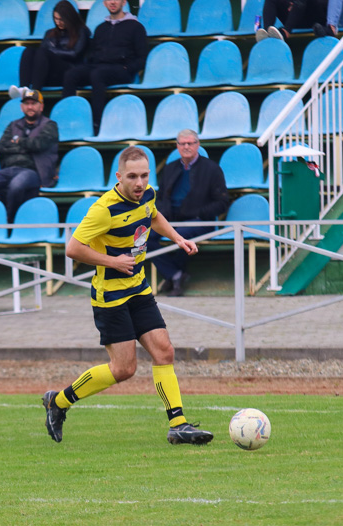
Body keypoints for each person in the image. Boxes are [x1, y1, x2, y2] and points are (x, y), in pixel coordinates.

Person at [42, 145, 214, 446]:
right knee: (124, 369)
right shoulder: (103, 209)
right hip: (110, 297)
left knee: (164, 351)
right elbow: (72, 249)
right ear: (119, 176)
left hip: (138, 288)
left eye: (145, 176)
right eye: (132, 176)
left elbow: (153, 215)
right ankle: (58, 402)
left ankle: (178, 425)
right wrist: (112, 261)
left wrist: (178, 238)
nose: (139, 183)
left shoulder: (147, 194)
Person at [148, 129, 230, 297]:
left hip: (200, 221)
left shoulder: (212, 169)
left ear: (197, 145)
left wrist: (199, 213)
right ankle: (175, 275)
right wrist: (163, 215)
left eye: (190, 143)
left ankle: (175, 278)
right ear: (177, 146)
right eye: (182, 144)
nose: (186, 147)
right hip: (172, 219)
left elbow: (222, 203)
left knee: (181, 236)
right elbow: (161, 197)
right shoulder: (170, 168)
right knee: (145, 236)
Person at [0, 88, 58, 223]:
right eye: (27, 103)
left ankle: (10, 219)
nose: (30, 107)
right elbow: (1, 146)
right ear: (21, 107)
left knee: (16, 186)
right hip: (9, 169)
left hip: (33, 171)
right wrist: (27, 146)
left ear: (41, 106)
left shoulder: (50, 125)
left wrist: (18, 141)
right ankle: (4, 210)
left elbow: (39, 144)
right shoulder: (14, 125)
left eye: (34, 103)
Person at [61, 0, 147, 130]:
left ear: (123, 2)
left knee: (98, 74)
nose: (112, 2)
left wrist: (128, 68)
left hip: (121, 69)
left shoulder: (136, 27)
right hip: (98, 66)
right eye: (109, 0)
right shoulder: (100, 28)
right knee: (71, 74)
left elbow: (142, 57)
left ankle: (97, 124)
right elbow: (93, 55)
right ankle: (69, 120)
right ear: (104, 3)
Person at [12, 0, 90, 94]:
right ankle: (23, 88)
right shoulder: (50, 33)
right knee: (28, 51)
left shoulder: (81, 31)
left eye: (61, 19)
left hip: (70, 72)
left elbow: (74, 54)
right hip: (50, 74)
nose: (58, 22)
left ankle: (35, 92)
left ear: (69, 18)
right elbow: (41, 58)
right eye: (56, 19)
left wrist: (53, 51)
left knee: (43, 52)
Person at [255, 0, 328, 41]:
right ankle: (267, 33)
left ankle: (285, 32)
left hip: (314, 19)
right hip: (295, 14)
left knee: (300, 2)